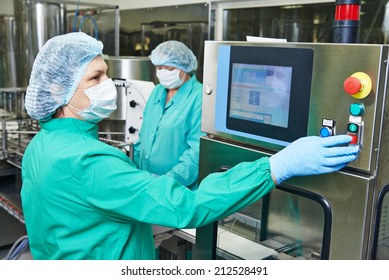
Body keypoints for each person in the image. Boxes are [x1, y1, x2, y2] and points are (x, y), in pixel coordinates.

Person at [20, 32, 359, 260]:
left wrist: (134, 227)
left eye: (106, 75)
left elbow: (70, 222)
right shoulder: (89, 161)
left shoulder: (42, 145)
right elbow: (189, 206)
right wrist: (275, 166)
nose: (107, 86)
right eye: (95, 78)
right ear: (55, 91)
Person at [133, 40, 203, 189]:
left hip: (178, 189)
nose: (163, 73)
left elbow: (196, 154)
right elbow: (143, 137)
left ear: (184, 67)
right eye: (159, 68)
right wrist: (134, 171)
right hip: (146, 183)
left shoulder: (199, 98)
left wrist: (165, 184)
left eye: (169, 68)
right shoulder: (158, 91)